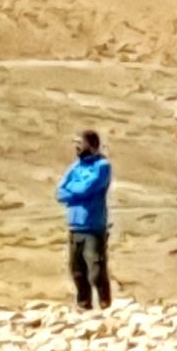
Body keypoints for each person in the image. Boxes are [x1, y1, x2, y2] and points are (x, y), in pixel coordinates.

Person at [55, 130, 113, 309]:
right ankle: (83, 304)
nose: (77, 147)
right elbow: (60, 191)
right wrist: (74, 192)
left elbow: (87, 188)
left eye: (80, 143)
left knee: (95, 268)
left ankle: (105, 302)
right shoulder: (75, 167)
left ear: (91, 145)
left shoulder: (102, 166)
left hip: (93, 225)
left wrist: (73, 192)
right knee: (77, 270)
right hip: (75, 226)